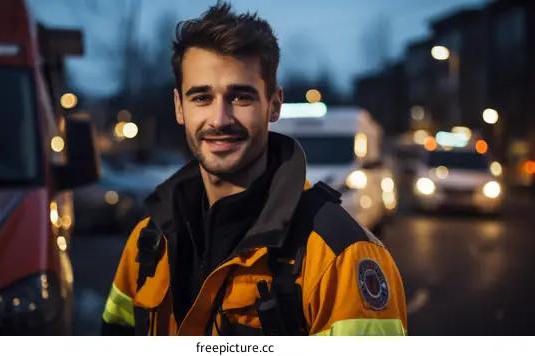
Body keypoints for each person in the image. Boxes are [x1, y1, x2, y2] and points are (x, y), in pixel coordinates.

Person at [101, 1, 407, 336]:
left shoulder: (341, 257)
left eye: (240, 97)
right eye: (201, 97)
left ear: (273, 105)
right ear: (179, 107)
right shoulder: (147, 240)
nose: (219, 120)